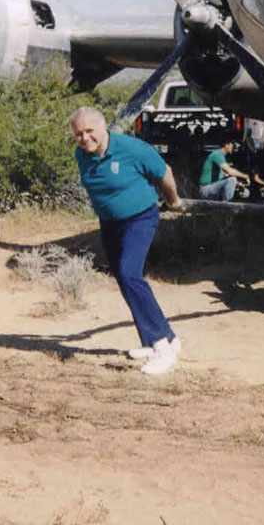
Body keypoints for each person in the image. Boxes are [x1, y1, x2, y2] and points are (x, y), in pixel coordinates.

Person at [70, 107, 183, 375]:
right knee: (123, 277)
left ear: (103, 127)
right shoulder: (81, 155)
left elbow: (163, 171)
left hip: (140, 218)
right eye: (78, 134)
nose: (85, 138)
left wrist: (173, 200)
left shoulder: (131, 149)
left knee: (130, 274)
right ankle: (165, 337)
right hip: (110, 223)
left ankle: (162, 347)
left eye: (89, 131)